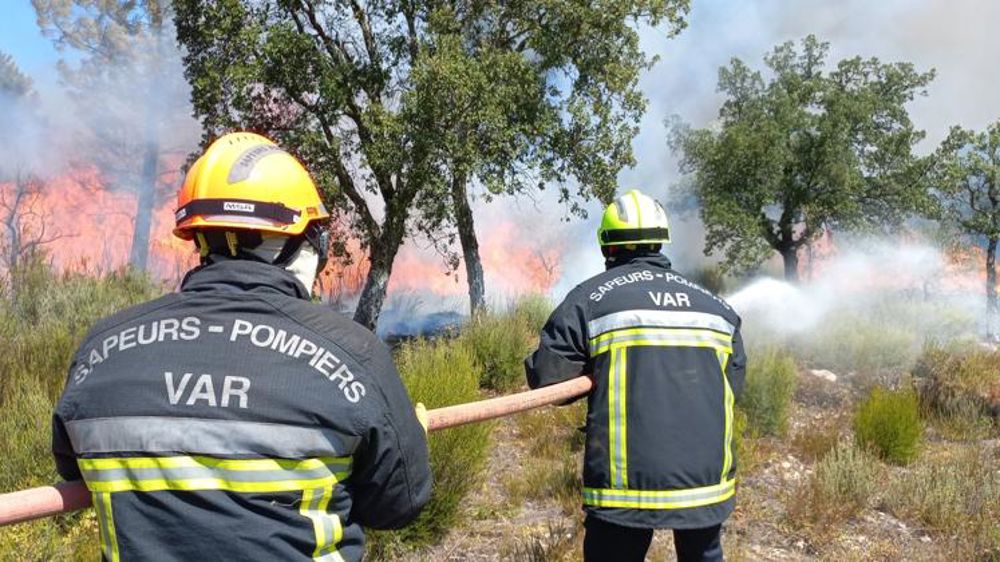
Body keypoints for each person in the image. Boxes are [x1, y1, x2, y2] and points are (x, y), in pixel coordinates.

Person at [51, 132, 432, 562]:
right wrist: (408, 439)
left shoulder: (99, 352)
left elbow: (74, 469)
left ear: (198, 238)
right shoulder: (353, 353)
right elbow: (400, 503)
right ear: (298, 244)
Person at [525, 189, 747, 562]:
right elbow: (732, 385)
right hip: (706, 482)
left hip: (625, 488)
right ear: (662, 242)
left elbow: (547, 379)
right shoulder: (716, 307)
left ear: (607, 248)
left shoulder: (588, 300)